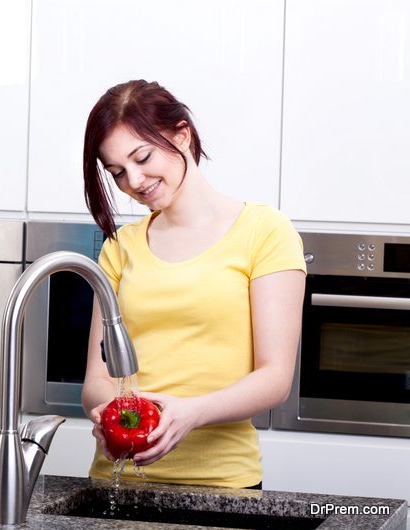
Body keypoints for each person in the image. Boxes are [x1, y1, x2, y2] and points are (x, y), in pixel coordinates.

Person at [81, 80, 306, 488]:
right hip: (116, 481)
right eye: (117, 172)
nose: (133, 180)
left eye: (142, 157)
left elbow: (275, 377)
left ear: (181, 135)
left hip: (220, 484)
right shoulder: (120, 248)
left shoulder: (265, 232)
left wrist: (191, 413)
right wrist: (108, 411)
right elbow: (96, 381)